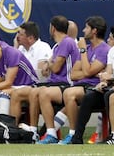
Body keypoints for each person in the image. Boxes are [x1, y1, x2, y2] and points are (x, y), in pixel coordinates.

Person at [56, 16, 110, 144]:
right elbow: (73, 74)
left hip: (96, 89)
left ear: (94, 31)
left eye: (86, 28)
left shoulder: (104, 49)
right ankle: (72, 134)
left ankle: (73, 134)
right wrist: (90, 72)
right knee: (68, 93)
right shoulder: (88, 48)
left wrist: (83, 51)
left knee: (69, 93)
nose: (84, 31)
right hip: (82, 86)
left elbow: (87, 71)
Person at [33, 15, 79, 144]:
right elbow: (52, 65)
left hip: (67, 84)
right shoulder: (57, 46)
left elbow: (57, 67)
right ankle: (33, 132)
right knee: (33, 93)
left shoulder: (67, 42)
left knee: (43, 93)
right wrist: (49, 65)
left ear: (52, 28)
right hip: (55, 83)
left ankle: (51, 133)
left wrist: (50, 65)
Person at [0, 31, 38, 116]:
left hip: (31, 85)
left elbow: (8, 82)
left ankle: (5, 124)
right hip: (14, 86)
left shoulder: (11, 53)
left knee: (4, 92)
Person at [87, 25, 114, 144]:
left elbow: (90, 72)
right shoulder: (111, 52)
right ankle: (98, 135)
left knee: (110, 95)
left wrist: (105, 77)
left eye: (110, 38)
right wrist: (104, 79)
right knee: (96, 94)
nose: (108, 40)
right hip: (108, 85)